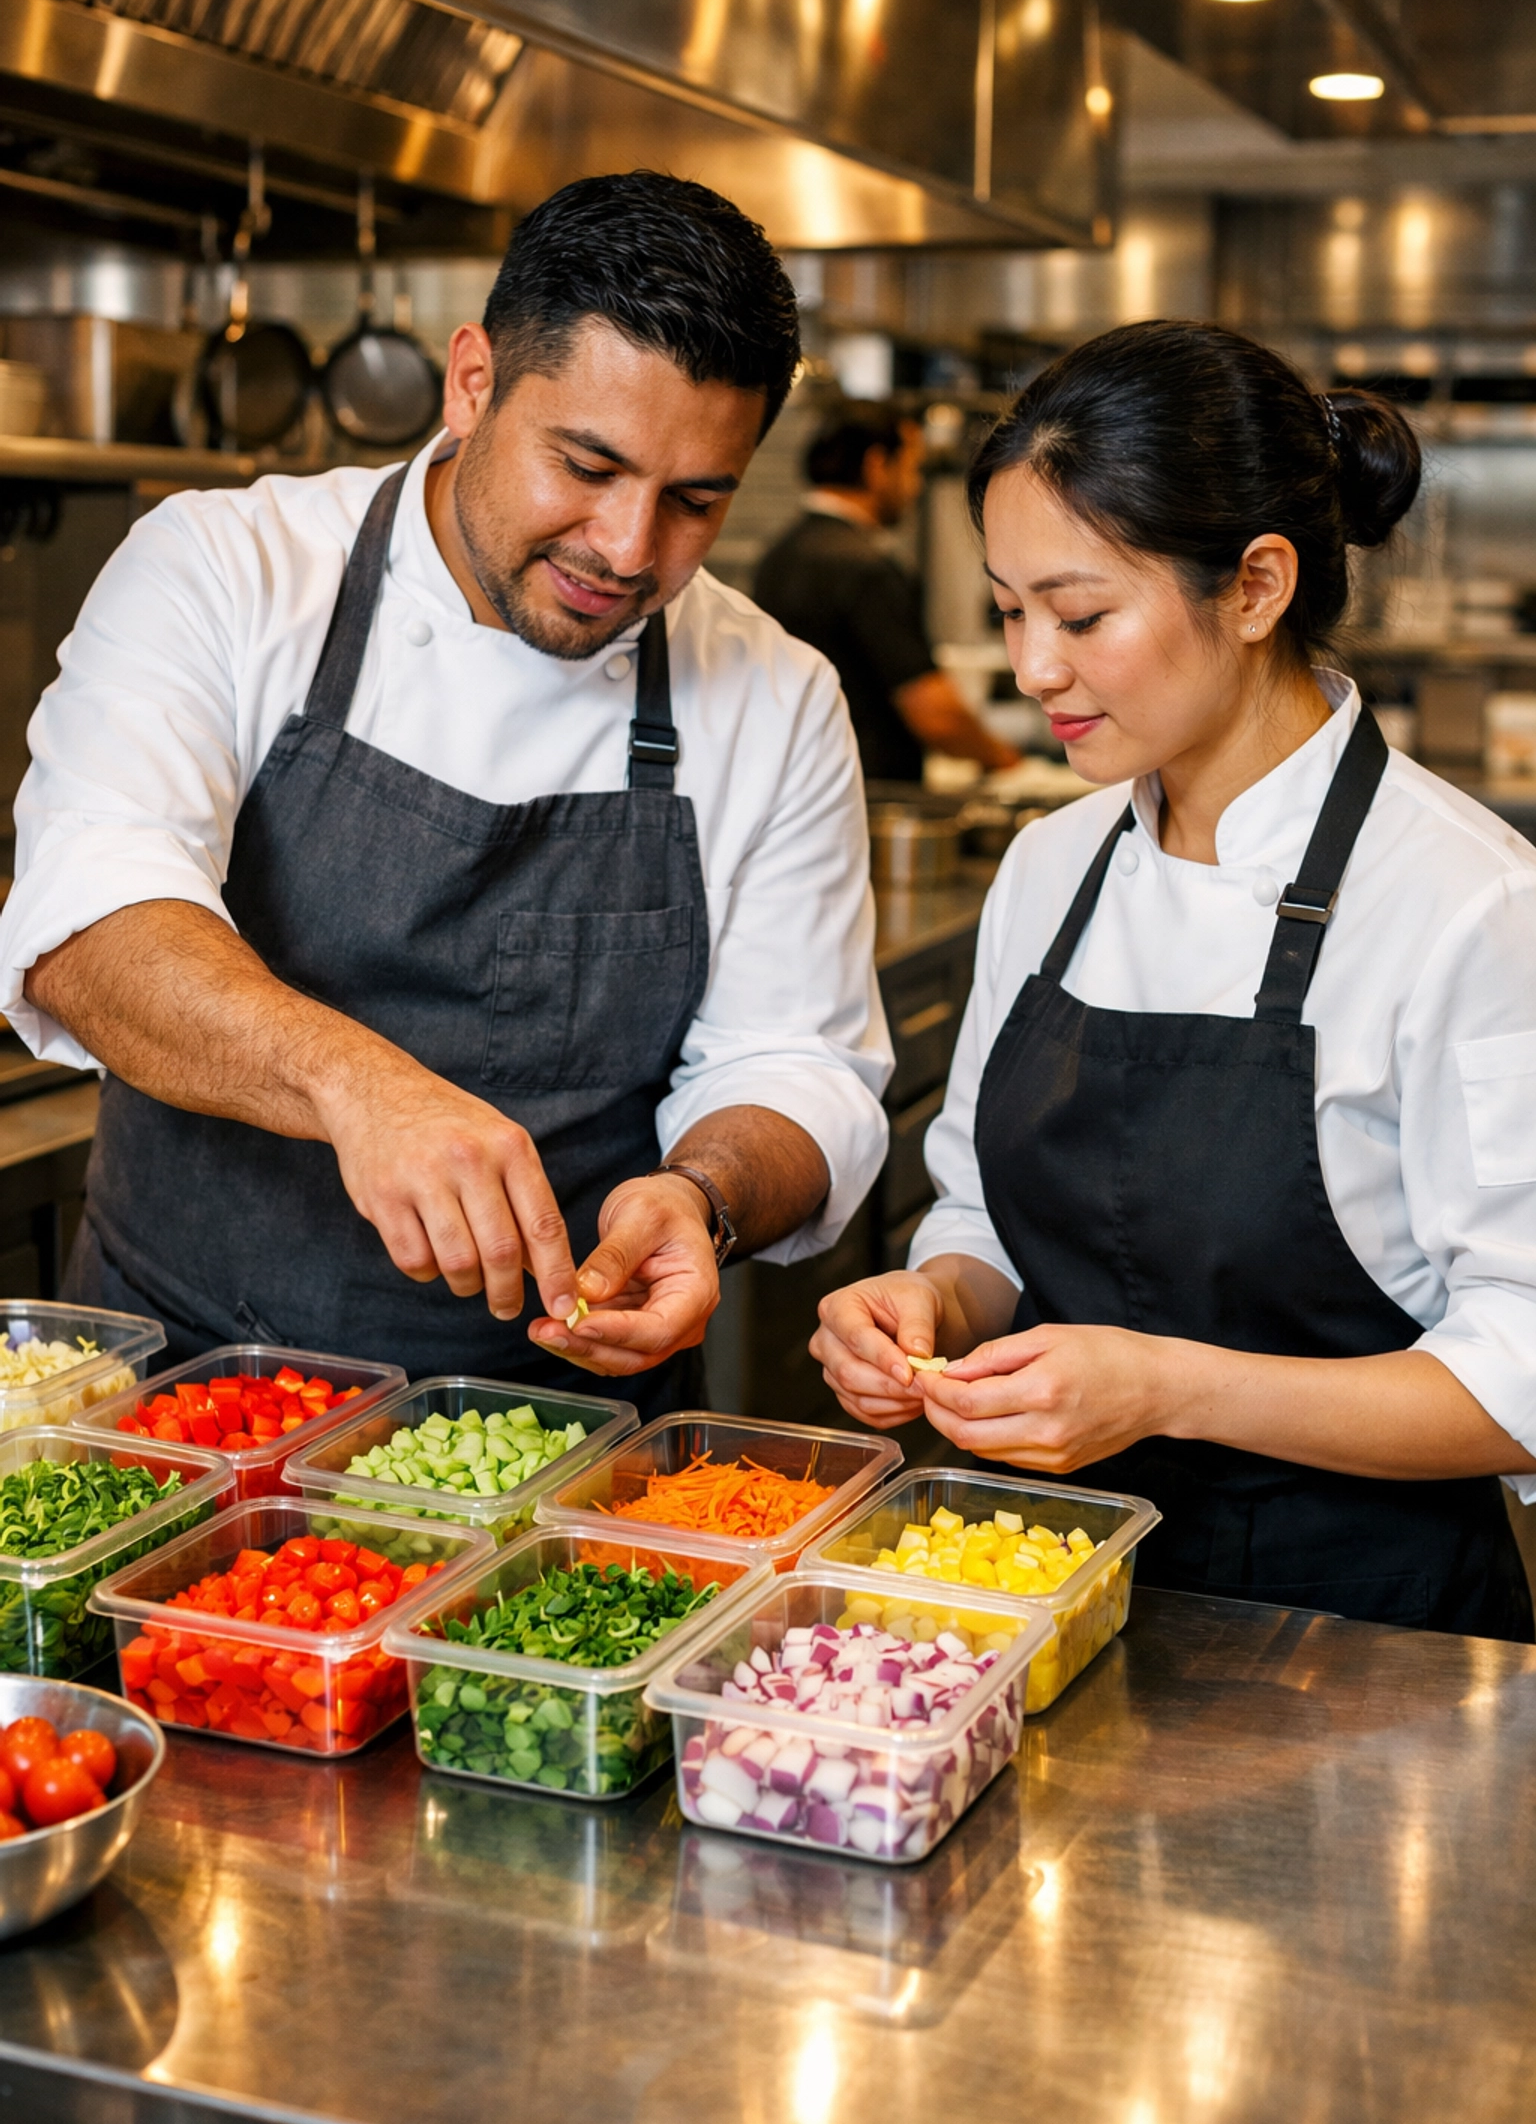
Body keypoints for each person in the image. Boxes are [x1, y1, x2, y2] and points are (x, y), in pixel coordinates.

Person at [0, 171, 893, 1410]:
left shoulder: (775, 695)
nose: (628, 549)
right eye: (586, 464)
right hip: (184, 1393)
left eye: (696, 501)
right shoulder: (226, 568)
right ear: (472, 382)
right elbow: (87, 920)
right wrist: (355, 1084)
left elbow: (798, 1062)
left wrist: (704, 1197)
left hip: (557, 1425)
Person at [811, 318, 1536, 1639]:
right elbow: (981, 1212)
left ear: (1256, 587)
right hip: (1042, 1608)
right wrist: (934, 1303)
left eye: (1081, 614)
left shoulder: (1466, 904)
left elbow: (1522, 1378)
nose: (1034, 669)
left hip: (1365, 1644)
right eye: (1010, 611)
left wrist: (1166, 1390)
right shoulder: (1050, 867)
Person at [753, 400, 1016, 783]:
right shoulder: (866, 568)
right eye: (912, 468)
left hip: (797, 779)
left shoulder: (778, 556)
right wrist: (1006, 760)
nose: (916, 486)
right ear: (877, 466)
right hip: (868, 789)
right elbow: (934, 714)